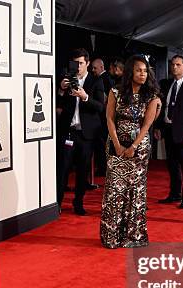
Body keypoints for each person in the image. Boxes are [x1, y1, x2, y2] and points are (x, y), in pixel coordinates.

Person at [100, 55, 160, 248]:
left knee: (135, 192)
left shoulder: (151, 95)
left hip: (139, 149)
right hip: (115, 146)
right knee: (114, 191)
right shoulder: (115, 91)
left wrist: (133, 146)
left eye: (145, 70)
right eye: (138, 70)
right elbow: (109, 118)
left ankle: (133, 237)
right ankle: (111, 237)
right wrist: (117, 145)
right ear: (130, 72)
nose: (142, 74)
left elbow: (147, 124)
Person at [57, 48, 105, 215]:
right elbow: (58, 102)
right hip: (68, 131)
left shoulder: (96, 81)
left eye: (81, 63)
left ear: (88, 63)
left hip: (87, 134)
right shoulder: (67, 78)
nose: (77, 66)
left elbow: (100, 107)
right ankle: (58, 203)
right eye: (75, 63)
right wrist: (61, 90)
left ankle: (78, 203)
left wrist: (85, 97)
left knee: (82, 171)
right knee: (62, 169)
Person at [154, 55, 183, 209]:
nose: (175, 67)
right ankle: (175, 194)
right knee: (172, 165)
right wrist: (158, 127)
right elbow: (161, 108)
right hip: (168, 130)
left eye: (178, 65)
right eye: (173, 64)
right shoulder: (166, 83)